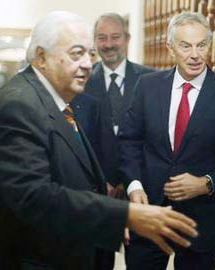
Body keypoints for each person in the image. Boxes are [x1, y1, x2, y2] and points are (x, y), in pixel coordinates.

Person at [0, 11, 198, 270]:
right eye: (76, 54)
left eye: (90, 54)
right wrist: (124, 214)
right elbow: (34, 196)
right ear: (41, 57)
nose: (88, 64)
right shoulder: (19, 105)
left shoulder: (56, 100)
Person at [119, 12, 215, 270]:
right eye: (185, 46)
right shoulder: (147, 87)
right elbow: (129, 141)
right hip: (149, 211)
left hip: (203, 221)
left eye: (201, 45)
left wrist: (207, 183)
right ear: (170, 47)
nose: (195, 54)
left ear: (210, 46)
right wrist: (134, 186)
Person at [72, 13, 155, 269]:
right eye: (102, 38)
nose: (108, 44)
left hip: (141, 190)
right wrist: (103, 179)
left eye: (115, 37)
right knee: (99, 262)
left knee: (142, 261)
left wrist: (129, 180)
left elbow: (153, 137)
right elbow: (77, 137)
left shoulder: (151, 81)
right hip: (96, 191)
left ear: (127, 39)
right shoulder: (79, 81)